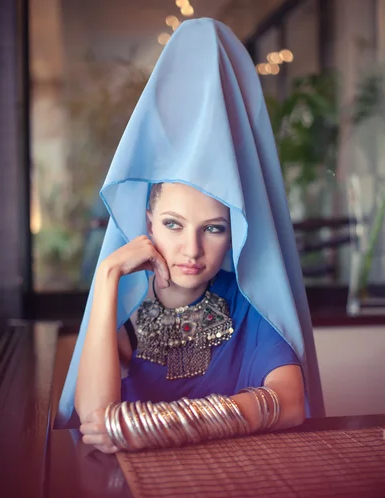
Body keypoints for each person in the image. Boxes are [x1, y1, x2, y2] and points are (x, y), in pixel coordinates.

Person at [56, 18, 324, 452]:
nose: (192, 250)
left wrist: (152, 426)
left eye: (214, 229)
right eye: (173, 225)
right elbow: (96, 420)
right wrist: (108, 276)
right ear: (148, 221)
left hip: (237, 492)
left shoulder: (249, 302)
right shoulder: (125, 304)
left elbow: (291, 402)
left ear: (235, 230)